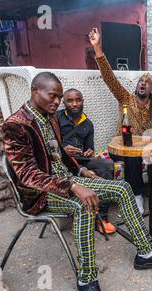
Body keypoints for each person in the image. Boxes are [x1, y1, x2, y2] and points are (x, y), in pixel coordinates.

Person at [2, 72, 152, 291]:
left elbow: (60, 154)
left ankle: (146, 253)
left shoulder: (50, 117)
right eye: (53, 96)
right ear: (34, 91)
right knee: (83, 204)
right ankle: (87, 277)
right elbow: (27, 174)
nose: (57, 101)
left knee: (123, 187)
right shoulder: (16, 125)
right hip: (40, 194)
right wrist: (73, 186)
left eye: (59, 97)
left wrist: (81, 171)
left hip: (68, 180)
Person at [88, 27, 152, 213]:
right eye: (140, 81)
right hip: (120, 149)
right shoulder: (125, 98)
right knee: (132, 154)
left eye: (147, 83)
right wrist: (98, 49)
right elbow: (109, 78)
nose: (142, 83)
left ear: (151, 90)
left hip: (144, 149)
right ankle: (136, 194)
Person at [57, 88, 116, 235]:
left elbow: (90, 147)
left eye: (78, 100)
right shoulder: (56, 118)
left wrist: (89, 151)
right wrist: (63, 149)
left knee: (107, 165)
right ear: (64, 103)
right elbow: (48, 143)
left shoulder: (88, 124)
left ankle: (101, 216)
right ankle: (86, 212)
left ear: (83, 102)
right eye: (70, 101)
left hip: (81, 161)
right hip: (61, 161)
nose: (75, 104)